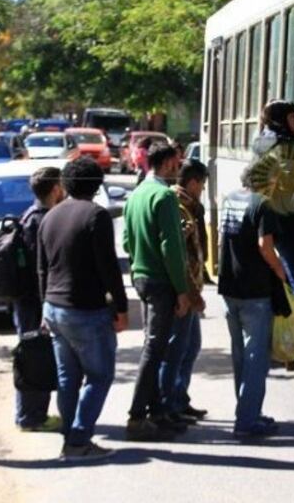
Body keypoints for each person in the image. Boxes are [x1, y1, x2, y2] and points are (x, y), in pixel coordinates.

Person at [38, 157, 128, 461]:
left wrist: (44, 307)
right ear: (97, 184)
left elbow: (42, 269)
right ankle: (78, 440)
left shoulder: (50, 216)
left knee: (68, 379)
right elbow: (108, 267)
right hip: (85, 310)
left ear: (66, 183)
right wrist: (120, 305)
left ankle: (70, 438)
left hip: (54, 307)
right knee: (99, 377)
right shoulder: (96, 215)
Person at [123, 143, 192, 441]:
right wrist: (182, 289)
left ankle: (157, 412)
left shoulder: (136, 194)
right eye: (176, 163)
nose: (178, 169)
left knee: (154, 346)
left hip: (142, 276)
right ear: (165, 164)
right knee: (154, 349)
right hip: (161, 282)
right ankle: (138, 416)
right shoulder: (163, 196)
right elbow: (172, 248)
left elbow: (127, 241)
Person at [219, 162, 291, 438]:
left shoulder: (229, 200)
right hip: (255, 292)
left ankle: (247, 411)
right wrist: (279, 270)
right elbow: (265, 246)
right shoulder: (263, 205)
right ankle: (247, 420)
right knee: (256, 357)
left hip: (230, 289)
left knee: (241, 356)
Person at [251, 100, 294, 359]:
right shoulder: (286, 145)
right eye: (293, 117)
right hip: (291, 222)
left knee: (290, 278)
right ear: (282, 119)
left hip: (272, 221)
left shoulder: (260, 142)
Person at [157, 160, 210, 422]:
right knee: (177, 350)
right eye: (202, 184)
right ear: (192, 183)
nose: (203, 189)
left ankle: (179, 397)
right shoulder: (178, 208)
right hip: (184, 292)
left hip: (190, 289)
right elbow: (178, 257)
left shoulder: (190, 207)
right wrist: (191, 293)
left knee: (190, 347)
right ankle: (168, 404)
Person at [13, 166, 65, 432]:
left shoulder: (31, 215)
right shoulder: (40, 219)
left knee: (34, 353)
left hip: (29, 299)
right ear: (55, 189)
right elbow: (41, 268)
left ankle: (31, 414)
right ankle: (31, 417)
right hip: (33, 300)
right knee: (35, 357)